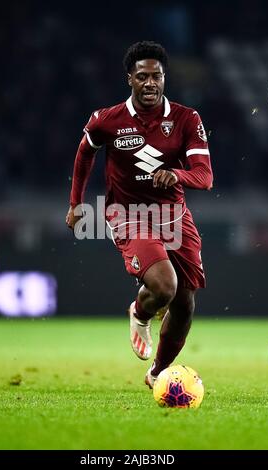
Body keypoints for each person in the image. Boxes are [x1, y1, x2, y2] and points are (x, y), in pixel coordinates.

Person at [66, 41, 213, 388]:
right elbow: (84, 154)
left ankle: (158, 373)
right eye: (143, 76)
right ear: (129, 79)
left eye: (157, 76)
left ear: (164, 79)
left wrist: (177, 174)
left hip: (174, 217)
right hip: (129, 213)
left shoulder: (186, 118)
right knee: (164, 287)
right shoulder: (107, 120)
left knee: (185, 303)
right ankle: (141, 311)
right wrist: (76, 203)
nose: (151, 83)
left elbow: (204, 176)